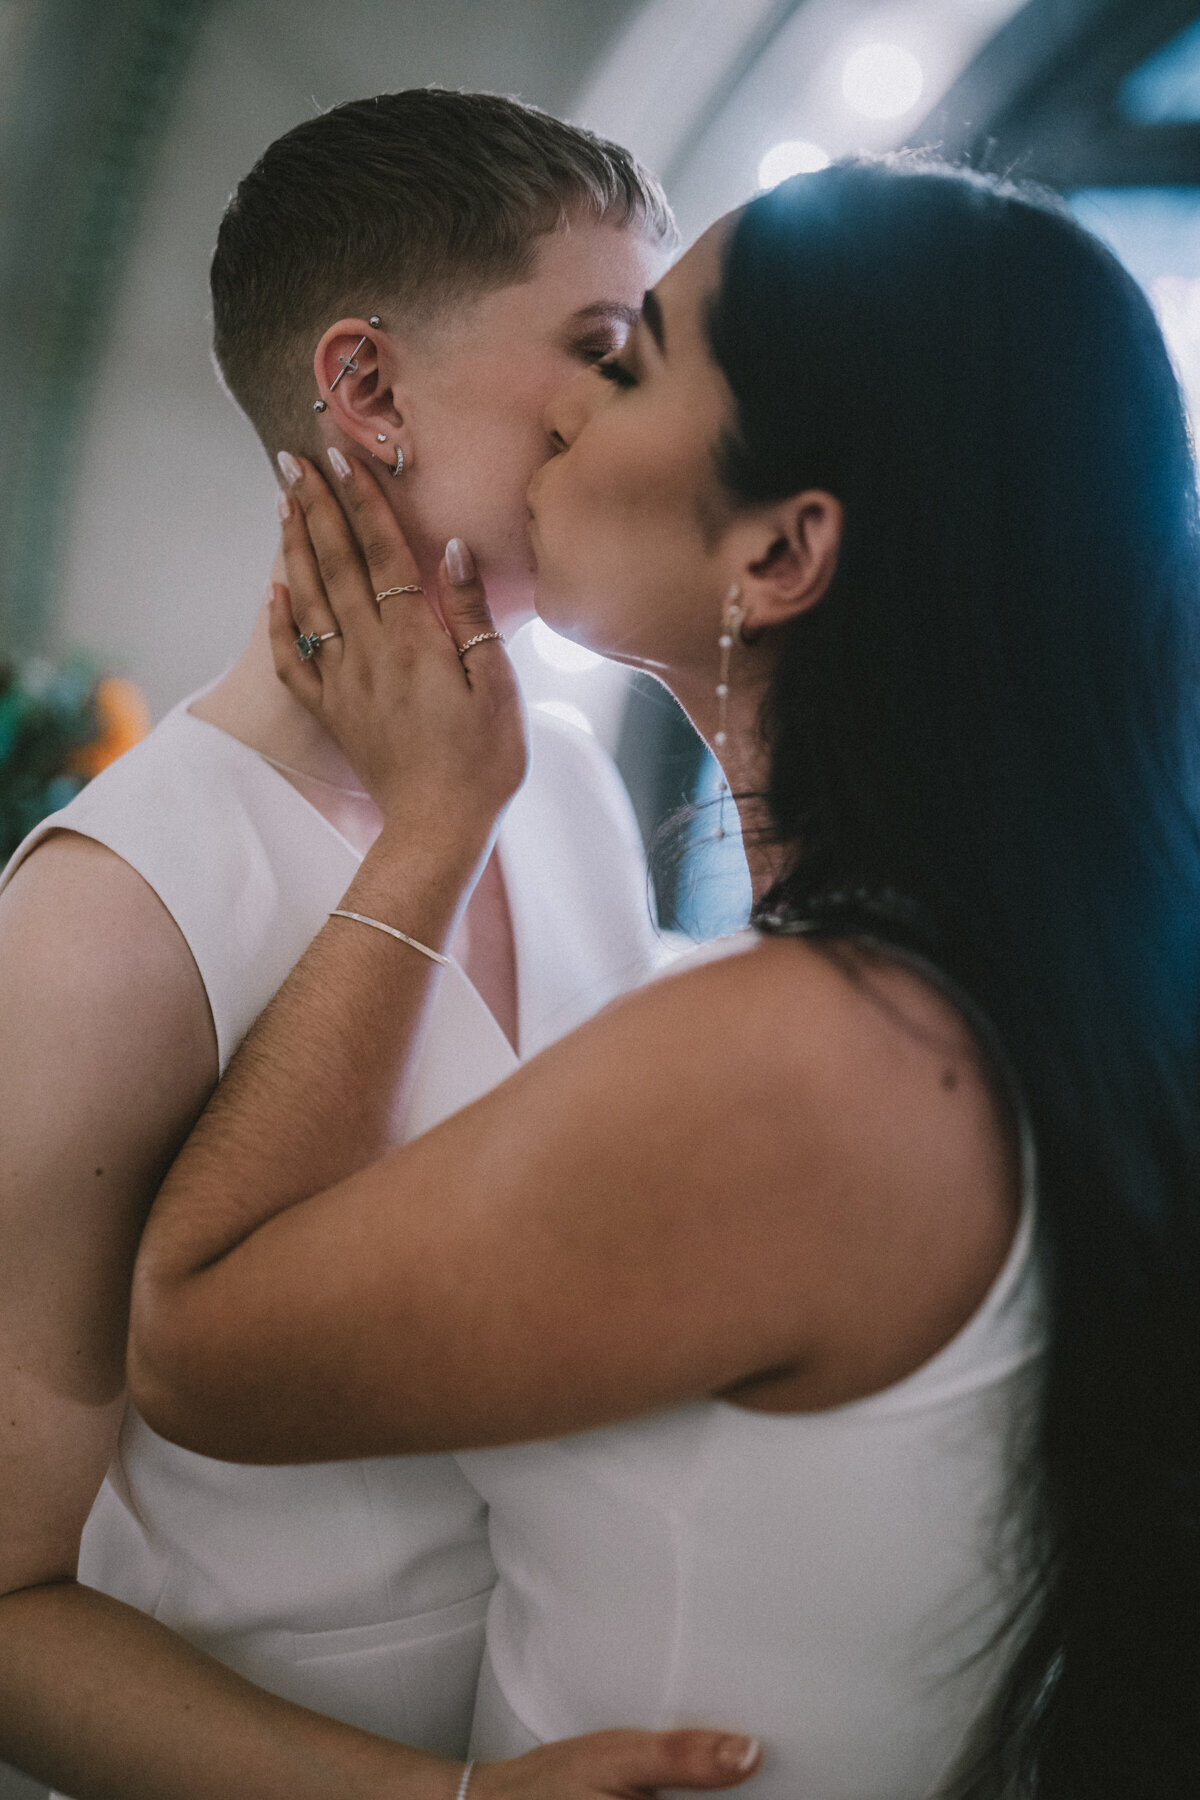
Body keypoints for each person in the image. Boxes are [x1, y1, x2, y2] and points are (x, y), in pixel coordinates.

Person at [130, 155, 1200, 1800]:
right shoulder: (1019, 988)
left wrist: (428, 831)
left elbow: (191, 1350)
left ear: (779, 556)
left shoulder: (811, 1062)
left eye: (627, 360)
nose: (559, 419)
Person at [0, 89, 763, 1800]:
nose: (645, 416)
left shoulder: (557, 778)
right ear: (366, 390)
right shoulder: (107, 919)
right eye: (604, 348)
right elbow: (4, 1600)